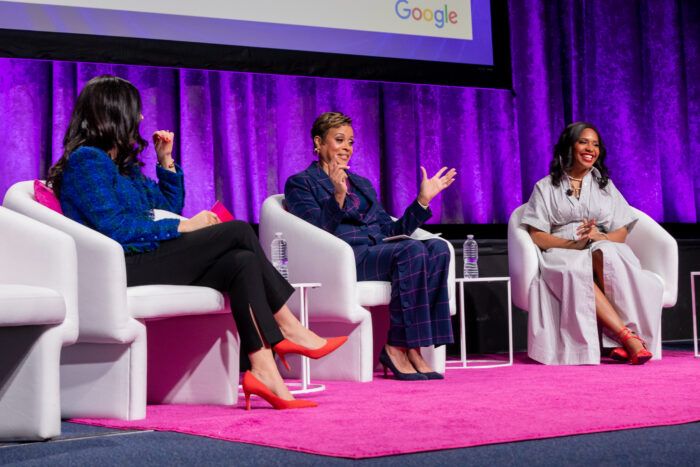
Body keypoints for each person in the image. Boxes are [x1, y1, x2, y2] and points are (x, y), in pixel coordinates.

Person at [46, 75, 346, 410]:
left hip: (142, 256)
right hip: (120, 266)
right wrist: (184, 227)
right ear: (114, 112)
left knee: (241, 262)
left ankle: (263, 368)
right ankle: (288, 327)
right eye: (136, 111)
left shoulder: (122, 169)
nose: (141, 119)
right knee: (239, 232)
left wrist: (165, 163)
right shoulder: (87, 160)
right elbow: (114, 228)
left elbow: (166, 205)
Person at [284, 111, 456, 380]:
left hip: (377, 251)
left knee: (437, 248)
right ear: (318, 143)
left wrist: (422, 201)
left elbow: (388, 229)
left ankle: (415, 347)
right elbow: (315, 231)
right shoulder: (301, 183)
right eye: (339, 139)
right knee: (411, 250)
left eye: (351, 142)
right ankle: (396, 346)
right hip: (344, 258)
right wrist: (337, 197)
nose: (346, 148)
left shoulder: (361, 184)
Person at [520, 121, 662, 365]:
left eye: (595, 144)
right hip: (562, 250)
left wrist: (600, 236)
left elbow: (621, 232)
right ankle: (628, 338)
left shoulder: (605, 186)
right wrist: (573, 244)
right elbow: (537, 235)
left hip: (599, 245)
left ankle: (621, 340)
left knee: (609, 252)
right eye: (583, 141)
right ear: (570, 146)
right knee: (575, 269)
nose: (590, 148)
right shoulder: (545, 187)